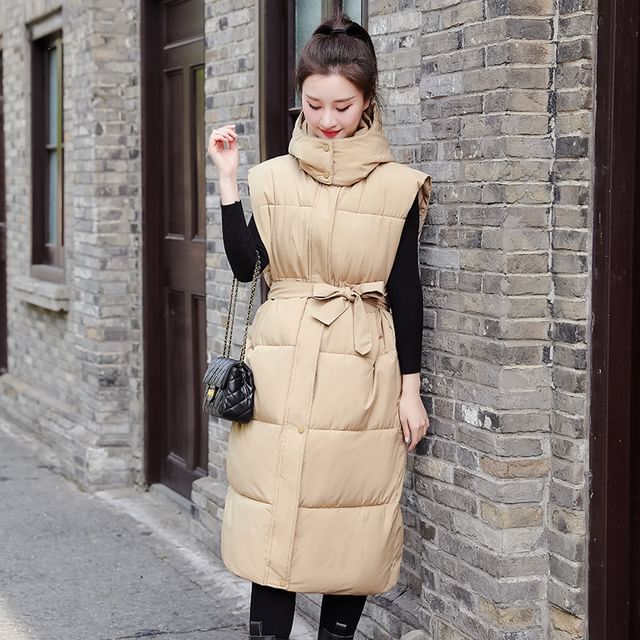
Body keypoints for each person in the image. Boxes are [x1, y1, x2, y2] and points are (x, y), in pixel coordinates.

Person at [207, 13, 432, 640]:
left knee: (351, 520)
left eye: (342, 106)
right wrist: (228, 181)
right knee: (273, 518)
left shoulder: (397, 187)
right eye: (314, 105)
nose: (328, 119)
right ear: (300, 99)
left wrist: (411, 390)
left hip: (361, 369)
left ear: (368, 101)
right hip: (281, 362)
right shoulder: (272, 178)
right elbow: (247, 267)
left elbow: (406, 291)